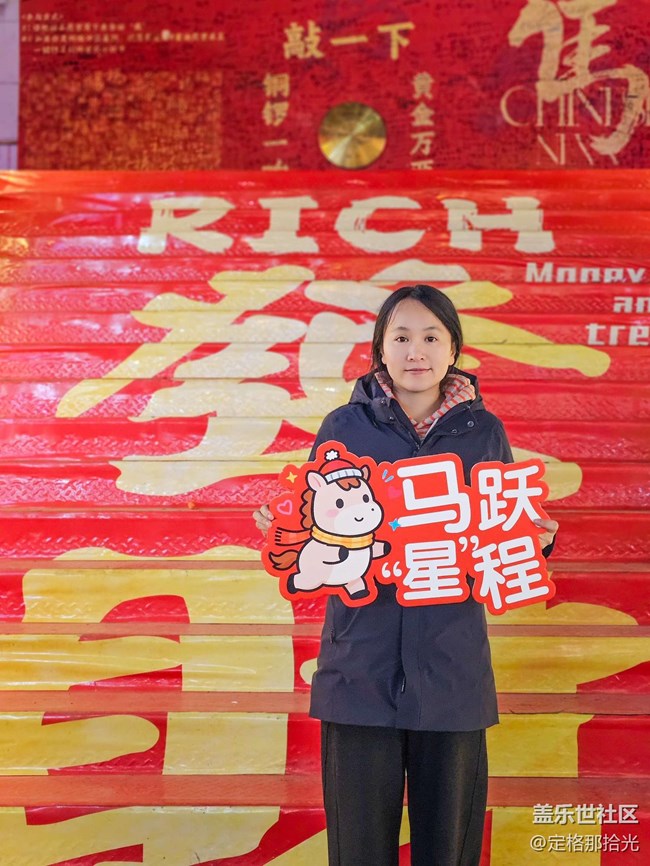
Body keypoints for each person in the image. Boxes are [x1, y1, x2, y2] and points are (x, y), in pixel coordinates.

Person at [253, 284, 558, 866]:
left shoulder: (483, 432)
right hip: (360, 669)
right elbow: (316, 522)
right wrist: (286, 529)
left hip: (451, 668)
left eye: (431, 337)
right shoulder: (345, 426)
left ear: (453, 349)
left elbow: (502, 531)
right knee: (359, 849)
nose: (416, 351)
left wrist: (535, 540)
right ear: (380, 350)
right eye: (401, 337)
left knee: (449, 848)